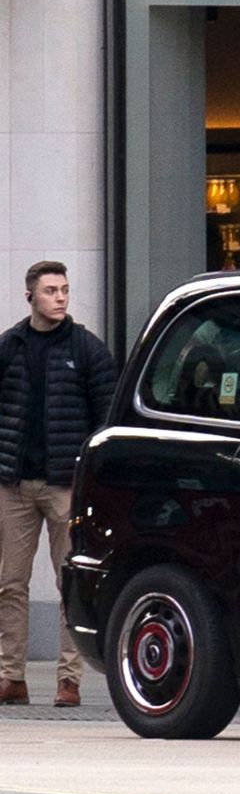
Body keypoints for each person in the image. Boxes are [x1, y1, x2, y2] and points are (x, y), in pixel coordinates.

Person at [0, 261, 117, 707]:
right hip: (14, 482)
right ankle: (12, 676)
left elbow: (106, 413)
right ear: (30, 296)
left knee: (69, 580)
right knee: (10, 581)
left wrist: (90, 471)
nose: (61, 297)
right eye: (51, 290)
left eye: (65, 289)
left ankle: (69, 680)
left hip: (66, 484)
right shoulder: (10, 346)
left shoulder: (87, 349)